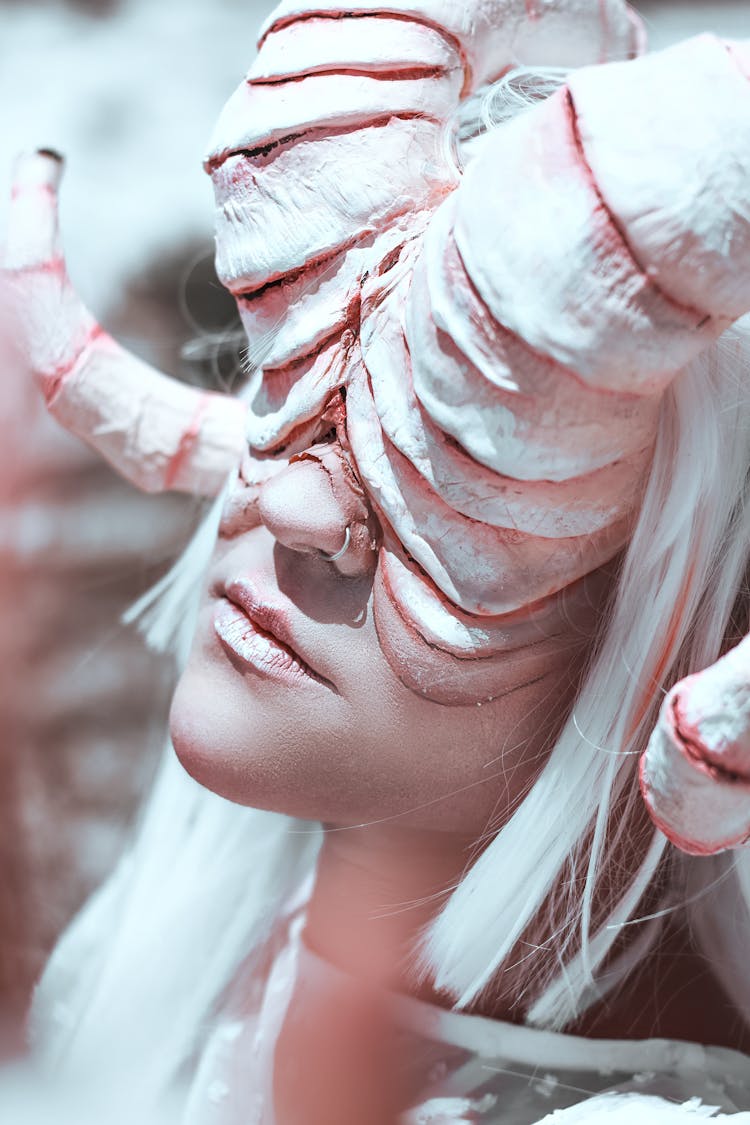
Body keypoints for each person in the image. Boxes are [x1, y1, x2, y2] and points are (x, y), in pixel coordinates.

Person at [3, 0, 750, 1121]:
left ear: (684, 638)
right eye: (303, 395)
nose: (293, 502)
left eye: (480, 460)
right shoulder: (194, 961)